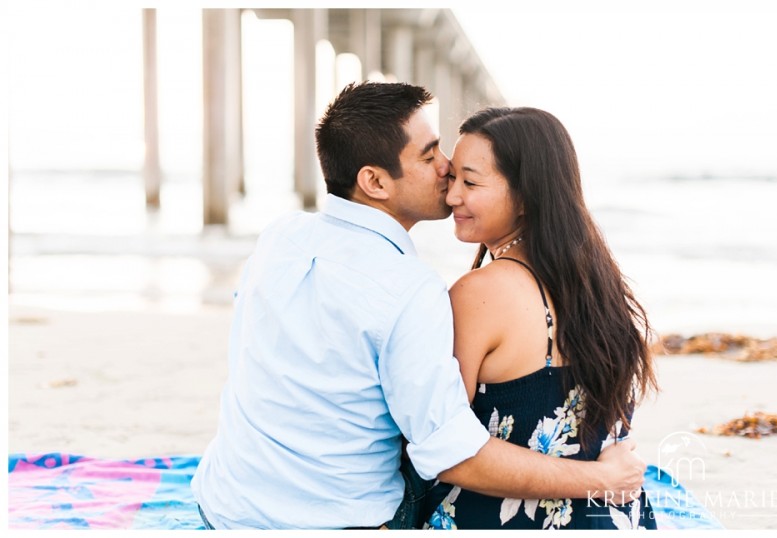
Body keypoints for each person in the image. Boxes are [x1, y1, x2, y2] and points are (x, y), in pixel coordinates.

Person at [190, 82, 646, 530]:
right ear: (374, 181)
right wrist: (601, 479)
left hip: (224, 503)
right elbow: (449, 453)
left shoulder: (279, 236)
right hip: (336, 522)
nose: (447, 172)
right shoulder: (412, 289)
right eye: (430, 156)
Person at [423, 106, 660, 530]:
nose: (452, 195)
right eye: (452, 177)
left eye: (470, 182)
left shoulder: (478, 293)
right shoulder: (598, 283)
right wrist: (603, 479)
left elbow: (450, 453)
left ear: (526, 194)